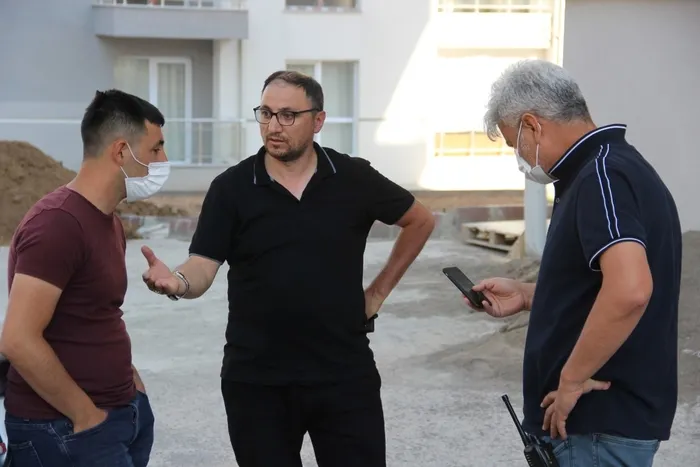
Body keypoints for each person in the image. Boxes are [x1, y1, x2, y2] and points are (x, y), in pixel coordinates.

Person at [140, 70, 435, 467]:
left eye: (287, 115)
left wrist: (377, 293)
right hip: (257, 381)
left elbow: (420, 220)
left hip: (344, 374)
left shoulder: (353, 178)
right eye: (265, 113)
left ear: (318, 120)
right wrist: (176, 282)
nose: (273, 126)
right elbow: (203, 265)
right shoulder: (232, 187)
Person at [469, 59, 681, 466]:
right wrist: (530, 295)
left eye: (515, 144)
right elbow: (605, 284)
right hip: (601, 429)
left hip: (596, 427)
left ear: (532, 125)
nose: (519, 157)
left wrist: (571, 379)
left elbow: (631, 290)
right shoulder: (614, 168)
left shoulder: (602, 177)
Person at [0, 89, 168, 466]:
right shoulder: (57, 224)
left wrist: (134, 388)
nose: (163, 160)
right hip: (64, 430)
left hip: (119, 416)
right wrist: (86, 417)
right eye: (156, 149)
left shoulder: (108, 221)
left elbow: (98, 315)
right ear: (121, 151)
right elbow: (18, 339)